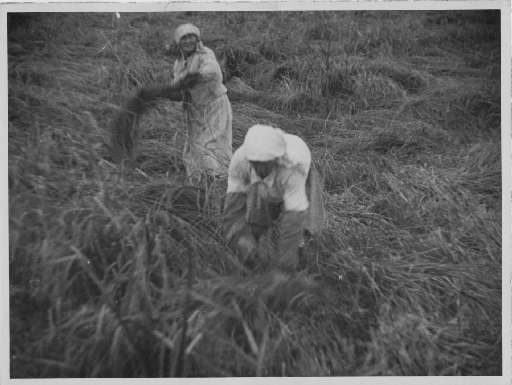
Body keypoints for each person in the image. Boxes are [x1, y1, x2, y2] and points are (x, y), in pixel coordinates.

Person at [222, 124, 325, 273]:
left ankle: (304, 265)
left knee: (305, 227)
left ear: (276, 159)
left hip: (298, 170)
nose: (260, 169)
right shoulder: (240, 161)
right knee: (256, 220)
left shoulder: (293, 167)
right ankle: (255, 263)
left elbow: (294, 218)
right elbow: (233, 208)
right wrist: (242, 242)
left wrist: (285, 265)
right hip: (269, 177)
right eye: (256, 164)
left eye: (265, 164)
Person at [172, 23, 233, 184]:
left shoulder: (206, 54)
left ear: (197, 38)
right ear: (179, 42)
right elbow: (178, 88)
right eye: (184, 38)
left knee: (213, 145)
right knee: (194, 148)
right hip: (195, 110)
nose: (188, 41)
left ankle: (218, 182)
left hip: (214, 105)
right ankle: (199, 183)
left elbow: (212, 72)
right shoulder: (178, 64)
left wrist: (192, 77)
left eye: (191, 37)